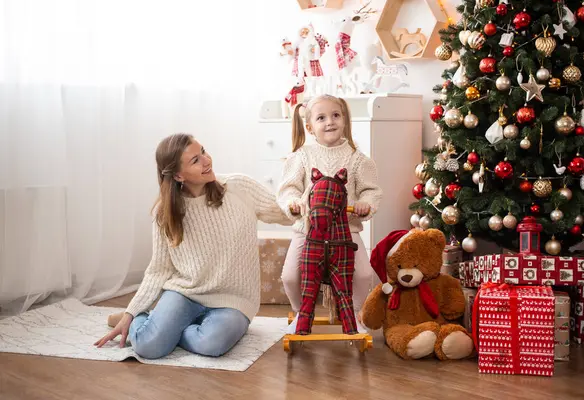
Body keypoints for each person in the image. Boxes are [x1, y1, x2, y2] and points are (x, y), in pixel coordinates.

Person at [94, 133, 291, 358]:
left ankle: (164, 327)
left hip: (233, 300)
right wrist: (131, 313)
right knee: (148, 347)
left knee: (211, 345)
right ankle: (143, 318)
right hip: (185, 293)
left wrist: (306, 201)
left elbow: (284, 212)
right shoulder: (165, 213)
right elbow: (159, 270)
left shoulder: (239, 187)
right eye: (195, 160)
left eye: (203, 152)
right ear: (178, 175)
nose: (207, 160)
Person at [277, 94, 383, 334]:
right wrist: (293, 202)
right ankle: (300, 312)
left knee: (364, 274)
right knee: (291, 275)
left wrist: (365, 204)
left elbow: (371, 190)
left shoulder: (357, 159)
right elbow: (288, 189)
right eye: (321, 118)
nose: (330, 122)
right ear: (310, 126)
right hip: (308, 229)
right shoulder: (302, 157)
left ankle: (353, 313)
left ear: (344, 119)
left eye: (336, 115)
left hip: (346, 229)